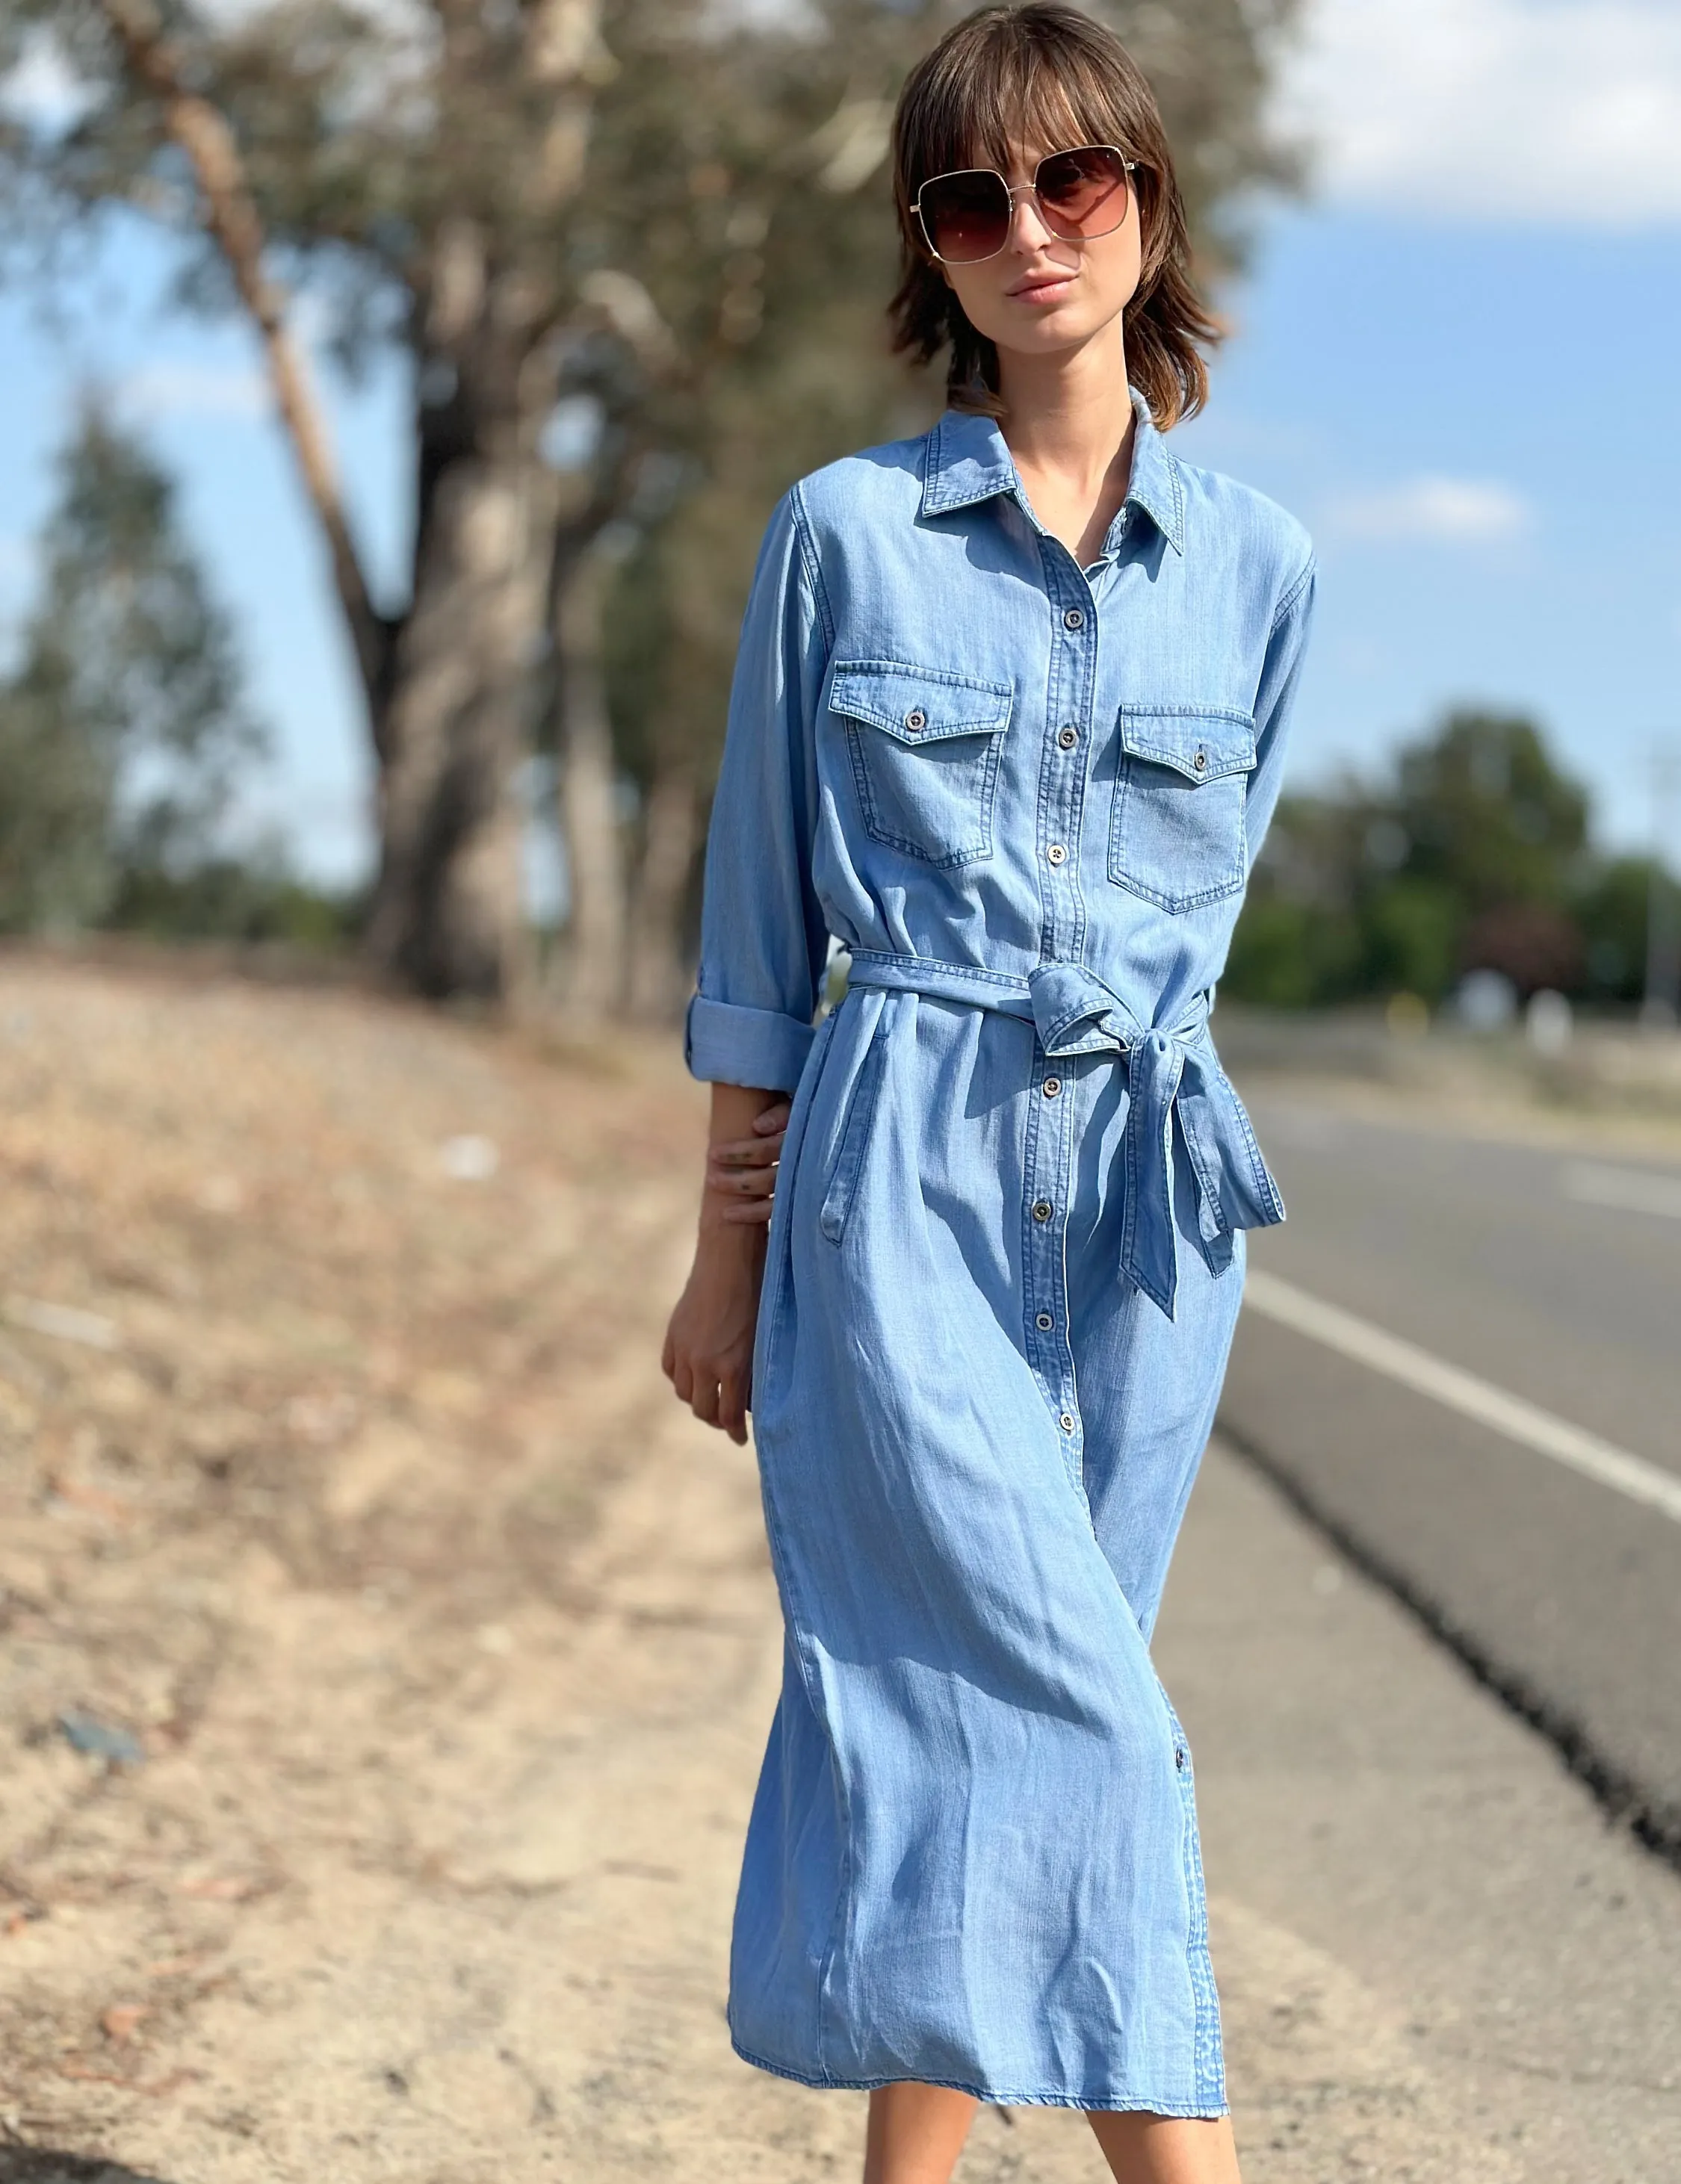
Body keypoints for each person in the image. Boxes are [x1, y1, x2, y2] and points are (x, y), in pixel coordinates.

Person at [661, 7, 1315, 2179]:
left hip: (1146, 1200)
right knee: (1094, 1729)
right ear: (930, 252)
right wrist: (722, 1256)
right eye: (971, 199)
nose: (1027, 230)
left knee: (1024, 1723)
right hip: (900, 1170)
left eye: (1073, 183)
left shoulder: (1266, 574)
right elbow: (765, 937)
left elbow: (1202, 927)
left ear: (1147, 201)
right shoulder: (842, 537)